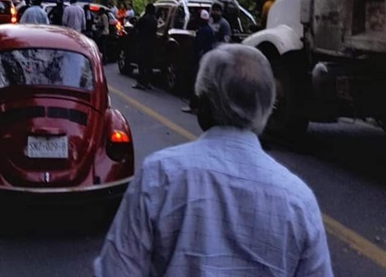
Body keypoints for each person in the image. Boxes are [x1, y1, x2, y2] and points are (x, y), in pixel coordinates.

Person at [94, 44, 333, 277]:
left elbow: (116, 269)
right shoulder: (299, 201)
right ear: (267, 107)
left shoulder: (160, 175)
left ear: (204, 103)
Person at [182, 9, 215, 112]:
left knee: (196, 81)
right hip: (208, 58)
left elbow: (198, 46)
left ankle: (193, 105)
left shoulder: (201, 31)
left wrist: (193, 58)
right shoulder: (210, 30)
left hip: (201, 58)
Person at [132, 3, 157, 90]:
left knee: (141, 64)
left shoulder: (144, 19)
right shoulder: (155, 20)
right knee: (149, 65)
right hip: (152, 45)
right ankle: (148, 82)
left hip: (143, 44)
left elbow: (136, 28)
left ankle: (141, 82)